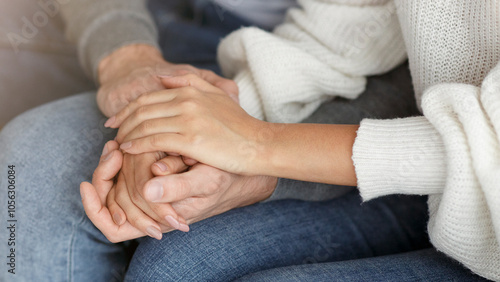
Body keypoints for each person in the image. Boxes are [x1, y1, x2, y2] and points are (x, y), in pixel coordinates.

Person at [0, 0, 495, 281]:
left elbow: (416, 95)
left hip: (449, 179)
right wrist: (177, 129)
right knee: (34, 170)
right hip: (229, 50)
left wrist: (261, 150)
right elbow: (340, 36)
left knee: (177, 267)